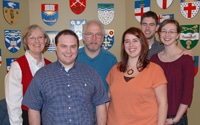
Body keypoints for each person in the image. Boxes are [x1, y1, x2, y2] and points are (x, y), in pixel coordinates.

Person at [22, 29, 109, 125]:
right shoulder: (42, 75)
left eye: (73, 46)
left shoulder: (91, 74)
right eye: (64, 46)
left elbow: (101, 104)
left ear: (77, 48)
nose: (69, 51)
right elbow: (33, 108)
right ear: (55, 47)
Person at [106, 27, 168, 125]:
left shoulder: (155, 70)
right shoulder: (115, 69)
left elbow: (163, 103)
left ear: (142, 43)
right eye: (127, 41)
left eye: (135, 40)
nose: (131, 45)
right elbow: (108, 100)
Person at [4, 24, 51, 125]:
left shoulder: (50, 65)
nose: (37, 41)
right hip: (26, 118)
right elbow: (13, 103)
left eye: (40, 37)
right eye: (32, 38)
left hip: (48, 117)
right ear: (26, 41)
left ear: (45, 40)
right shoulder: (17, 66)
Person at [151, 19, 194, 125]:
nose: (167, 34)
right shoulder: (154, 59)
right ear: (159, 33)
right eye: (164, 31)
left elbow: (187, 94)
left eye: (171, 31)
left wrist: (175, 119)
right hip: (156, 115)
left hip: (176, 118)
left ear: (178, 35)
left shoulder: (186, 59)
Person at [77, 20, 117, 92]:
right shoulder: (74, 58)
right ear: (83, 36)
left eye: (98, 34)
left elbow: (115, 90)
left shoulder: (111, 60)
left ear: (103, 38)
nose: (94, 38)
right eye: (90, 34)